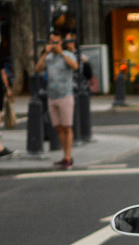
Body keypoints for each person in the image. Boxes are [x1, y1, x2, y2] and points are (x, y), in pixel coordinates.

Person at [35, 31, 78, 169]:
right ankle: (66, 155)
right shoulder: (48, 57)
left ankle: (68, 156)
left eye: (56, 42)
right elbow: (38, 68)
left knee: (67, 127)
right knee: (58, 127)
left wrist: (61, 53)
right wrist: (45, 54)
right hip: (52, 96)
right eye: (51, 42)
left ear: (61, 42)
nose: (53, 45)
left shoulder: (67, 55)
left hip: (65, 95)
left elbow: (74, 66)